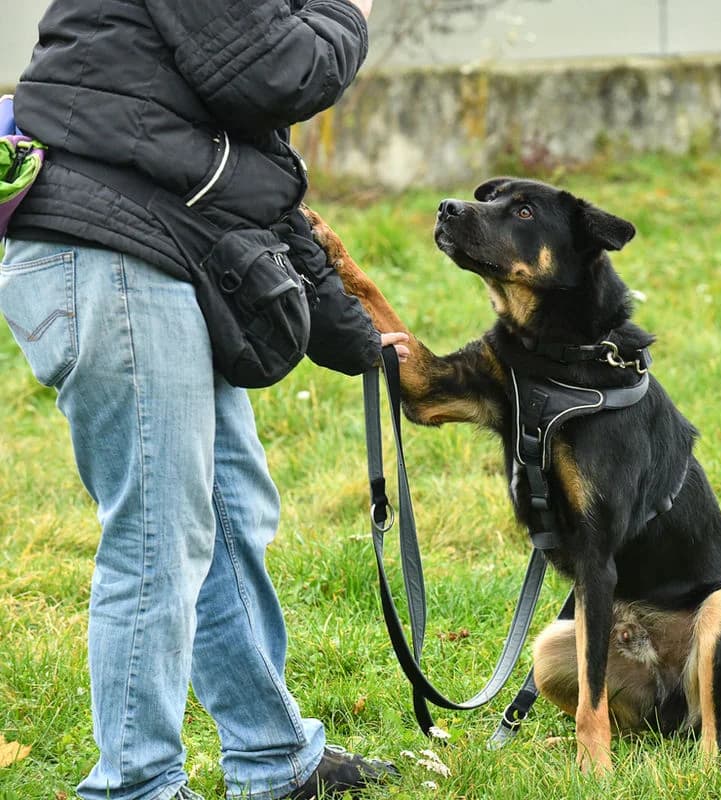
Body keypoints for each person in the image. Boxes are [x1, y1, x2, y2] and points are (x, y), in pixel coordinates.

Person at [0, 1, 412, 798]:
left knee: (230, 508)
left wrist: (361, 338)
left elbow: (254, 183)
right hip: (110, 253)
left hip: (159, 248)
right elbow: (281, 70)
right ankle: (134, 784)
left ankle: (273, 756)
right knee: (159, 533)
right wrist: (346, 10)